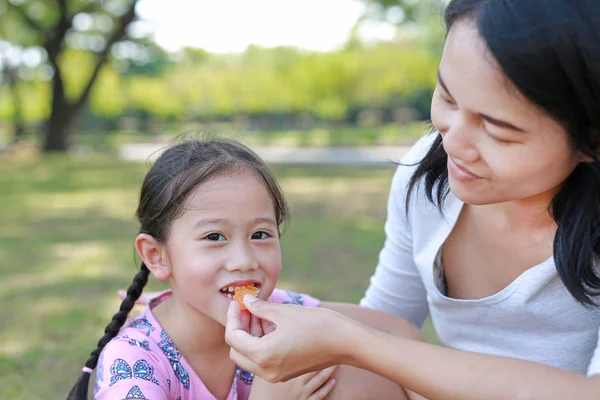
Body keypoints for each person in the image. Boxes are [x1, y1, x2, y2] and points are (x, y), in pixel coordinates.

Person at [224, 0, 600, 399]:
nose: (453, 141)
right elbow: (386, 321)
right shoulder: (428, 177)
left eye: (498, 131)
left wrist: (354, 342)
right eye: (448, 98)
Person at [67, 138, 412, 400]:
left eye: (260, 234)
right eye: (215, 236)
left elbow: (398, 332)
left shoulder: (283, 317)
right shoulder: (133, 362)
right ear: (157, 256)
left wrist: (343, 340)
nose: (245, 260)